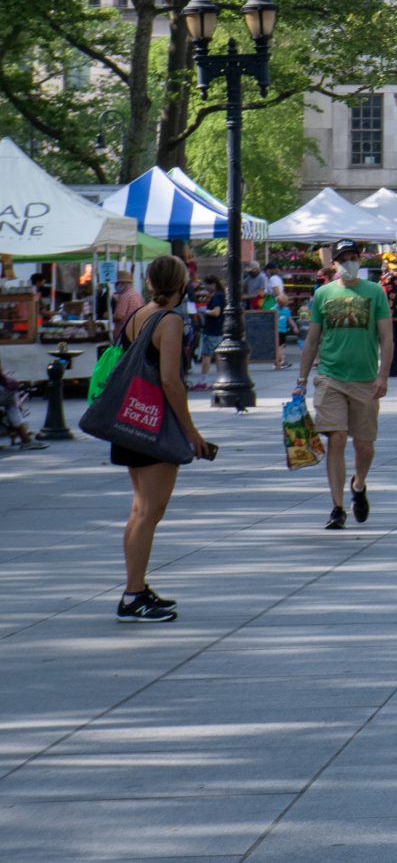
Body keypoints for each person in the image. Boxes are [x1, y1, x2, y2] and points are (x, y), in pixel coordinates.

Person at [110, 255, 213, 621]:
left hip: (130, 419)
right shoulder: (169, 321)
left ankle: (136, 586)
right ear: (181, 283)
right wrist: (191, 431)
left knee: (141, 509)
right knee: (149, 512)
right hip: (153, 425)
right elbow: (170, 379)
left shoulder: (138, 314)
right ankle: (133, 594)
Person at [297, 243, 393, 529]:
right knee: (336, 437)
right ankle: (337, 507)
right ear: (335, 264)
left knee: (364, 445)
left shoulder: (375, 291)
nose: (349, 263)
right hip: (330, 376)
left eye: (354, 258)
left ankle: (359, 484)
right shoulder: (323, 293)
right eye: (344, 259)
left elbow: (386, 337)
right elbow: (312, 339)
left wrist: (383, 375)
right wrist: (301, 380)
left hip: (364, 378)